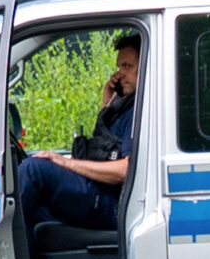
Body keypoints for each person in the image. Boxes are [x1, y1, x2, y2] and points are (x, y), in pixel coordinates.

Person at [19, 32, 141, 240]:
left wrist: (65, 163)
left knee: (33, 170)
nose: (119, 74)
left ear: (145, 65)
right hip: (99, 192)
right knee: (35, 211)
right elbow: (104, 149)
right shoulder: (124, 105)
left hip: (112, 204)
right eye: (119, 67)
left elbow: (125, 170)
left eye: (127, 67)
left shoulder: (139, 109)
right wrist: (107, 106)